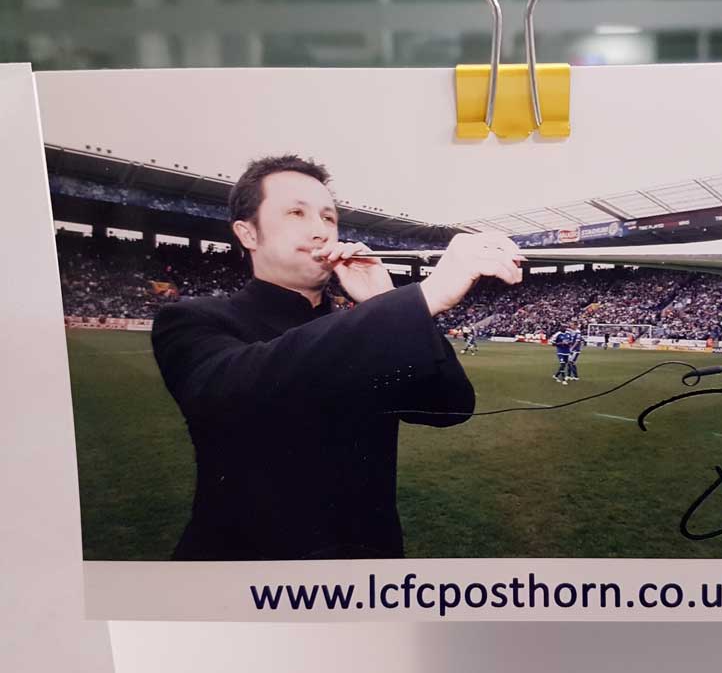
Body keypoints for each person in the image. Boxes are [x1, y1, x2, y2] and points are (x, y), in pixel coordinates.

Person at [151, 155, 523, 560]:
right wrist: (419, 298)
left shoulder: (364, 325)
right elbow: (236, 393)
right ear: (248, 233)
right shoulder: (192, 319)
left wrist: (383, 300)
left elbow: (449, 407)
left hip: (365, 573)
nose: (319, 230)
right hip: (251, 572)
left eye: (329, 218)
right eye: (297, 212)